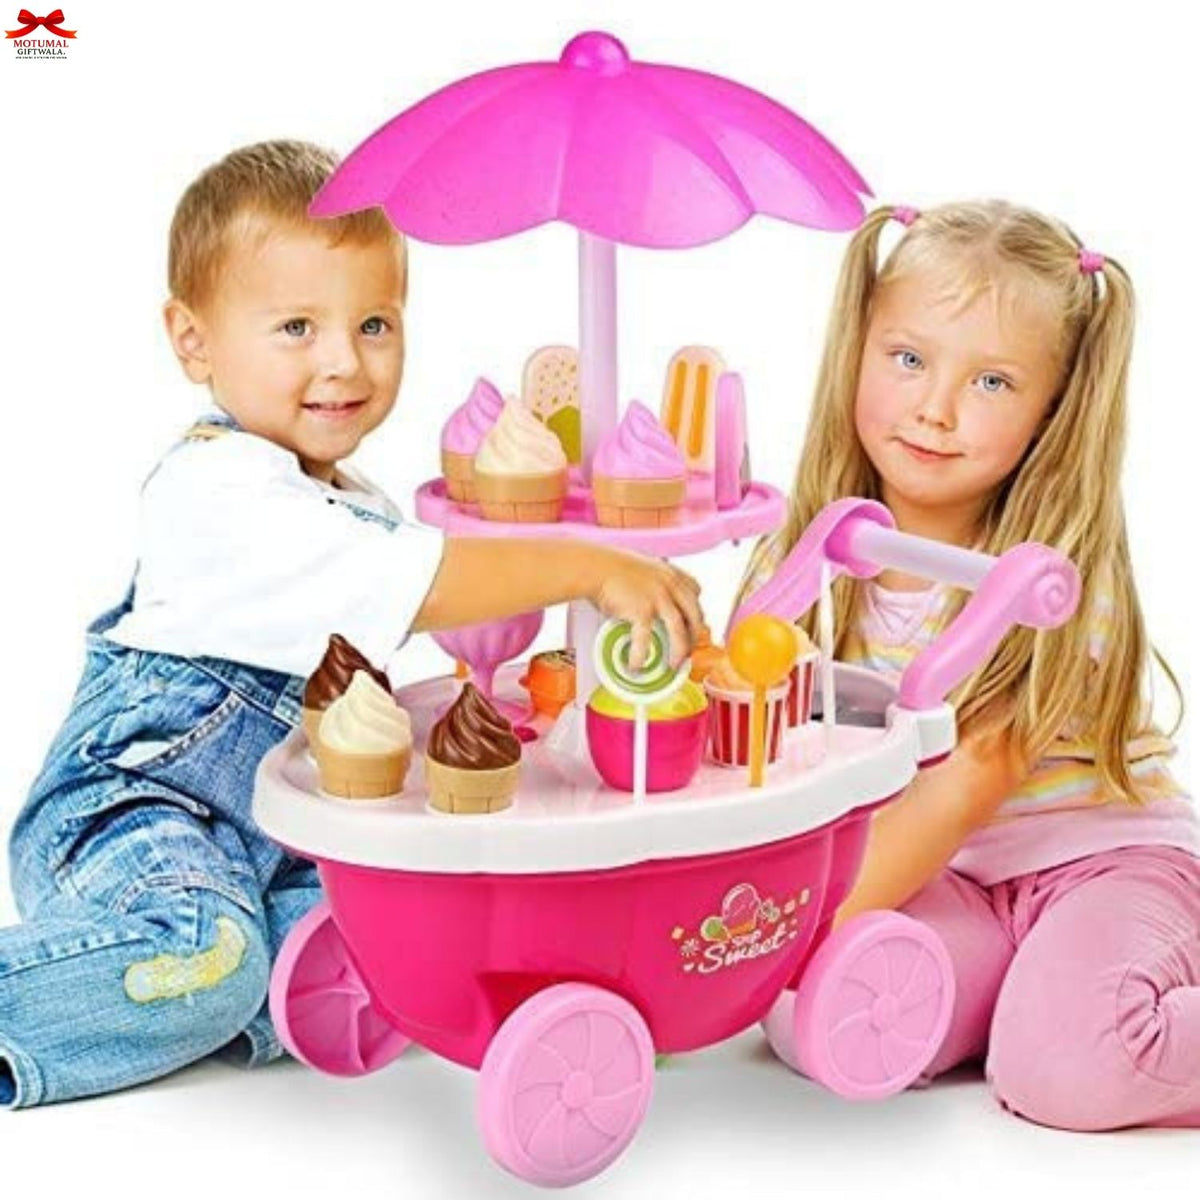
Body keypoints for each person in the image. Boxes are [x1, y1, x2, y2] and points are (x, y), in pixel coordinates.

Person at [0, 140, 703, 1108]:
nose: (344, 361)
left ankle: (226, 997)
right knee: (208, 954)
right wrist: (593, 562)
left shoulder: (347, 496)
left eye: (375, 323)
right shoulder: (222, 490)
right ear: (193, 339)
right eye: (296, 326)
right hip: (137, 815)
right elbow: (432, 580)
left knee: (411, 941)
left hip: (273, 835)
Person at [740, 200, 1200, 1131]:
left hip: (1099, 865)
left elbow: (965, 783)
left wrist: (773, 933)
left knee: (1066, 1074)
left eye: (991, 382)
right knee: (820, 1015)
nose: (935, 409)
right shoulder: (821, 559)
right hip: (956, 880)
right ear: (859, 351)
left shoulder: (1051, 586)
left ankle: (1073, 1010)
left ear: (1051, 410)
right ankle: (1031, 992)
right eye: (908, 359)